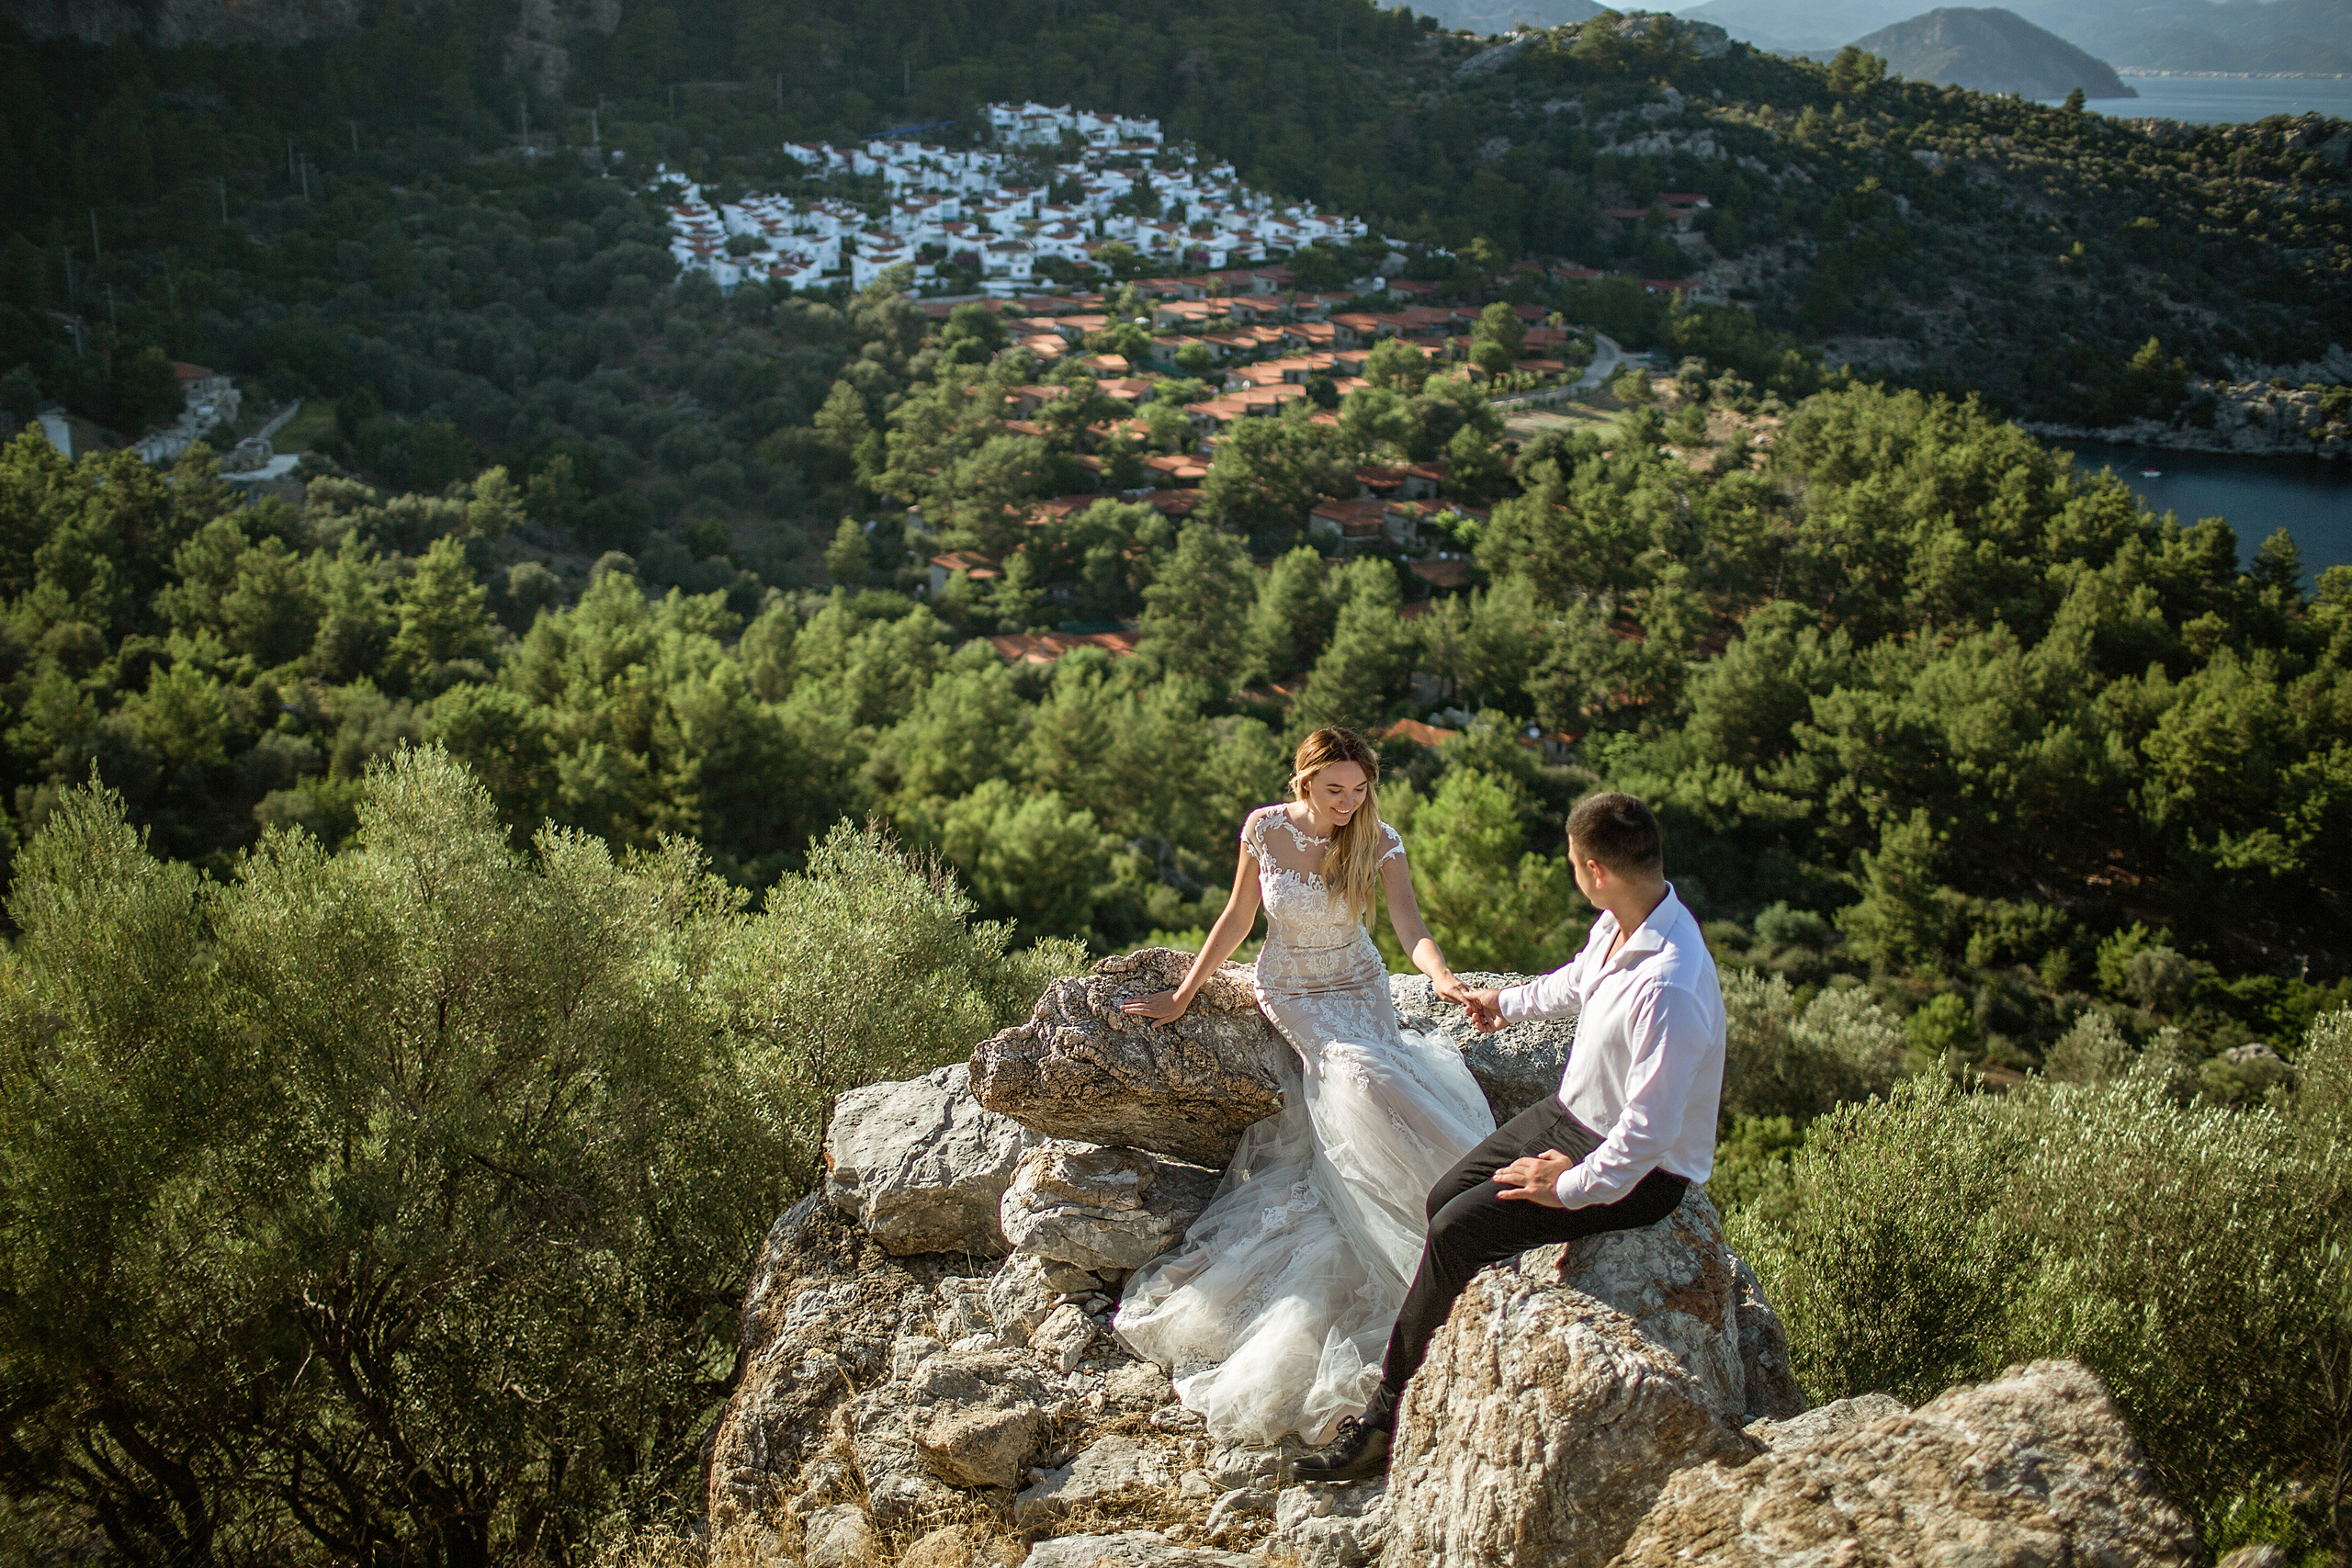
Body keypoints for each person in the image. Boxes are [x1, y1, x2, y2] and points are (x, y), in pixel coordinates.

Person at [1293, 790, 1727, 1483]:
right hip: (1572, 1112)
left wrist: (1570, 1186)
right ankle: (1448, 1351)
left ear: (1593, 868)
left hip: (1637, 1170)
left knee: (1459, 1230)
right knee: (1443, 1200)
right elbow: (1575, 982)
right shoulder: (1626, 921)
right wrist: (1505, 1003)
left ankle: (1385, 1420)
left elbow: (1651, 1132)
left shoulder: (1671, 984)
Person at [1111, 728, 1496, 1447]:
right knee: (1358, 1076)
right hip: (1293, 988)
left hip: (1359, 982)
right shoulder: (1264, 829)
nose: (1348, 803)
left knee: (1390, 1077)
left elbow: (1410, 927)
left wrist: (1441, 977)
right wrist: (1185, 993)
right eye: (1334, 790)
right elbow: (1238, 917)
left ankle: (1475, 1201)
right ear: (1303, 783)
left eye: (1358, 790)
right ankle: (1441, 1220)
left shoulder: (1378, 838)